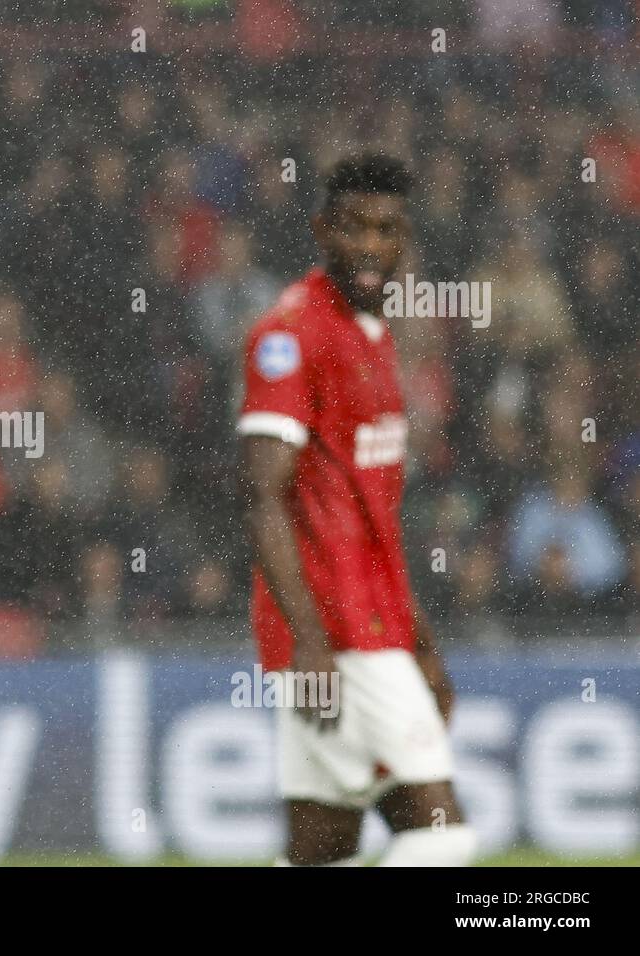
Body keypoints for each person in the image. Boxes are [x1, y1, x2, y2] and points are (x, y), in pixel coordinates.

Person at [237, 155, 476, 866]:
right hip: (337, 635)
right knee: (444, 840)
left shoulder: (372, 336)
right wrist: (308, 641)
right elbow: (262, 496)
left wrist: (419, 640)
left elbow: (375, 520)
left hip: (374, 624)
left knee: (321, 851)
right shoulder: (290, 335)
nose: (371, 246)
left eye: (388, 230)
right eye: (355, 228)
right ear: (322, 230)